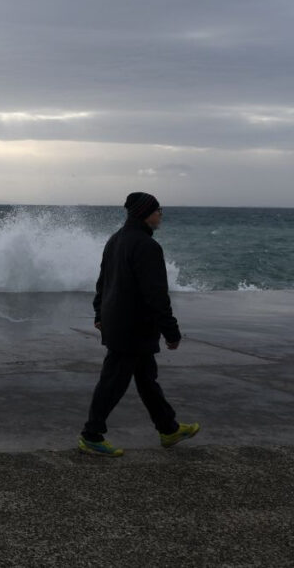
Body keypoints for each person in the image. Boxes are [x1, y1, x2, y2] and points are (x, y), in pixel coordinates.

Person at [78, 192, 200, 456]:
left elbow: (103, 282)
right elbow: (155, 294)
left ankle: (169, 429)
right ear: (146, 213)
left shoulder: (115, 240)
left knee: (146, 380)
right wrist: (171, 331)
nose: (161, 214)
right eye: (158, 210)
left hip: (120, 322)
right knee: (113, 382)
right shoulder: (146, 246)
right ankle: (91, 435)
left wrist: (99, 313)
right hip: (132, 327)